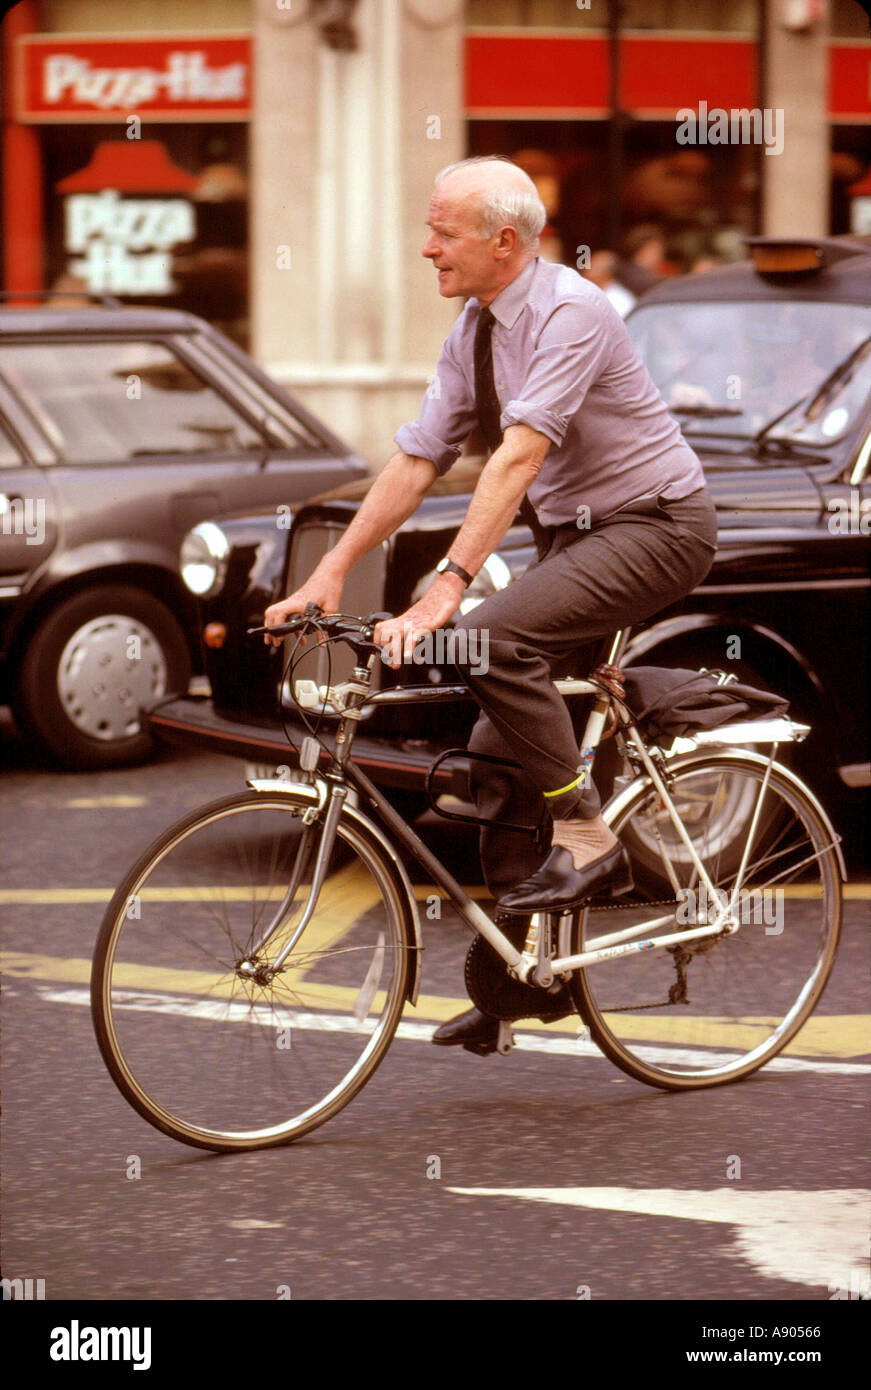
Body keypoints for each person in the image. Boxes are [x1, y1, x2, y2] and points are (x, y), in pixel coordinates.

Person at [264, 156, 718, 1055]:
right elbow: (417, 459)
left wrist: (446, 587)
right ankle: (523, 983)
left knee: (486, 647)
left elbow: (514, 460)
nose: (425, 246)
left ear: (503, 242)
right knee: (491, 756)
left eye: (443, 231)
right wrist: (330, 575)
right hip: (576, 538)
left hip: (656, 524)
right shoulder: (474, 328)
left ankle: (589, 834)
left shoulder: (571, 310)